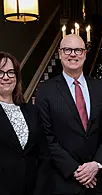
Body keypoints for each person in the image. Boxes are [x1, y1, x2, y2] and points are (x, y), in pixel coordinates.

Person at [36, 34, 102, 195]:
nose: (73, 54)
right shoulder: (45, 91)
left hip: (98, 182)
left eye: (78, 50)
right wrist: (76, 170)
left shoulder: (101, 88)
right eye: (67, 50)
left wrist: (97, 164)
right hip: (64, 182)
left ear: (85, 54)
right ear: (60, 54)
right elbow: (46, 136)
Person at [0, 52, 51, 195]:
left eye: (11, 72)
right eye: (1, 72)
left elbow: (44, 156)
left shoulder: (31, 111)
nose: (6, 77)